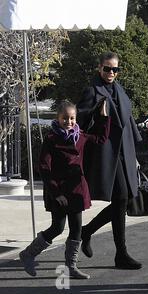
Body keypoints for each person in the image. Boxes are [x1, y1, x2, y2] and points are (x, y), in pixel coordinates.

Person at [19, 100, 110, 279]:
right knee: (58, 227)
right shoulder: (51, 139)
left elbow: (101, 139)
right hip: (59, 191)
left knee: (76, 228)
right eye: (65, 118)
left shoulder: (80, 136)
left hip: (77, 189)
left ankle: (71, 267)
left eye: (72, 118)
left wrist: (104, 117)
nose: (69, 122)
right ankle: (28, 254)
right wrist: (56, 193)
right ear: (58, 118)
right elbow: (44, 167)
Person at [77, 52, 143, 269]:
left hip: (124, 153)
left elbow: (128, 121)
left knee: (122, 200)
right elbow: (80, 121)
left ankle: (86, 232)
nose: (111, 73)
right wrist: (98, 113)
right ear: (99, 68)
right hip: (105, 153)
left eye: (115, 69)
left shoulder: (119, 89)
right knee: (121, 198)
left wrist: (135, 157)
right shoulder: (91, 91)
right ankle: (120, 254)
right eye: (107, 69)